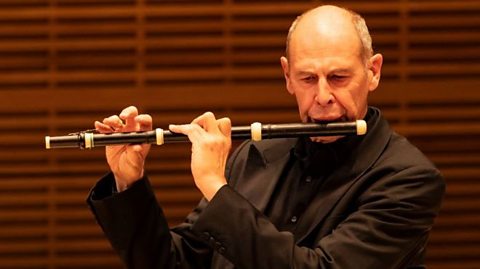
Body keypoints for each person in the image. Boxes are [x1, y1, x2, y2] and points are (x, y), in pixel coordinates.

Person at [87, 5, 445, 269]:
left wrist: (214, 184)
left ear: (373, 71)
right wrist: (128, 180)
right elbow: (174, 263)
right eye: (307, 79)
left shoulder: (408, 179)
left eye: (338, 77)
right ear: (287, 76)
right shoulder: (257, 155)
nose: (322, 97)